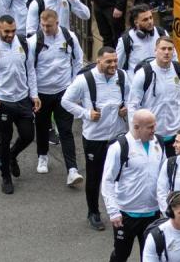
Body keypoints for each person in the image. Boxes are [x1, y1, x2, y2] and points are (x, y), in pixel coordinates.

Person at [61, 46, 129, 230]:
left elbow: (133, 98)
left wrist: (127, 109)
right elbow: (65, 101)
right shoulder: (84, 80)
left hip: (118, 136)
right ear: (99, 61)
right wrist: (86, 113)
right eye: (109, 61)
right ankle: (93, 213)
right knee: (95, 177)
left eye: (115, 60)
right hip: (94, 138)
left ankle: (120, 211)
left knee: (120, 175)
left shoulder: (122, 77)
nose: (113, 64)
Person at [0, 15, 39, 194]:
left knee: (28, 135)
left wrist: (34, 94)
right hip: (3, 102)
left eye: (13, 30)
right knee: (5, 139)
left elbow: (30, 70)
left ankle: (11, 156)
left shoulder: (24, 44)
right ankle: (5, 176)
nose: (11, 35)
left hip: (22, 99)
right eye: (7, 31)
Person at [28, 10, 84, 184]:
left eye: (49, 26)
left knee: (66, 130)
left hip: (63, 92)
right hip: (43, 93)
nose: (45, 28)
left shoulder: (69, 37)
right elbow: (30, 69)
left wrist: (74, 88)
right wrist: (34, 94)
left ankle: (72, 170)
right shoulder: (33, 42)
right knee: (42, 126)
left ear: (57, 22)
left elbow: (78, 61)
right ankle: (42, 155)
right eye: (43, 25)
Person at [101, 109, 164, 261]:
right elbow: (107, 180)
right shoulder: (119, 147)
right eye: (149, 127)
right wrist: (113, 211)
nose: (153, 130)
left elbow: (164, 177)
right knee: (121, 255)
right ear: (136, 127)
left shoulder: (158, 143)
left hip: (153, 214)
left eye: (154, 125)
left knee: (151, 256)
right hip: (126, 214)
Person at [127, 37, 180, 153]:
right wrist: (135, 136)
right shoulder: (143, 74)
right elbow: (133, 105)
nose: (166, 52)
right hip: (151, 136)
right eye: (163, 48)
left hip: (175, 136)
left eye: (170, 49)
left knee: (173, 170)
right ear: (155, 51)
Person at [116, 4, 169, 82]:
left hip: (159, 83)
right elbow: (117, 67)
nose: (150, 22)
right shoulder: (126, 40)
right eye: (145, 20)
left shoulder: (162, 33)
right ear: (136, 23)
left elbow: (174, 58)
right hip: (136, 87)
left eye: (151, 18)